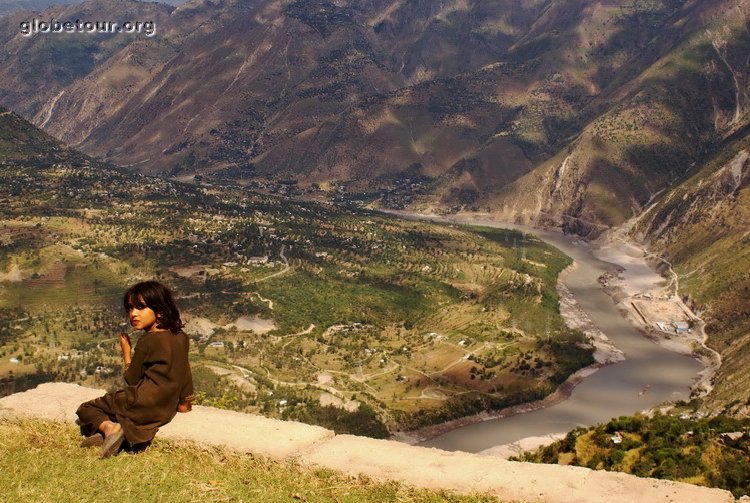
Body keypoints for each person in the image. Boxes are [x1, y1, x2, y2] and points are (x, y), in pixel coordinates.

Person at [76, 281, 194, 458]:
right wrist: (185, 403)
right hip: (165, 410)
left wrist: (126, 352)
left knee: (86, 409)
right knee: (116, 408)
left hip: (141, 403)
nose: (133, 314)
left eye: (141, 307)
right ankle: (120, 430)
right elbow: (185, 372)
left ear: (160, 310)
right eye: (130, 309)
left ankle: (111, 429)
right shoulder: (181, 337)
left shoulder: (147, 341)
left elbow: (132, 378)